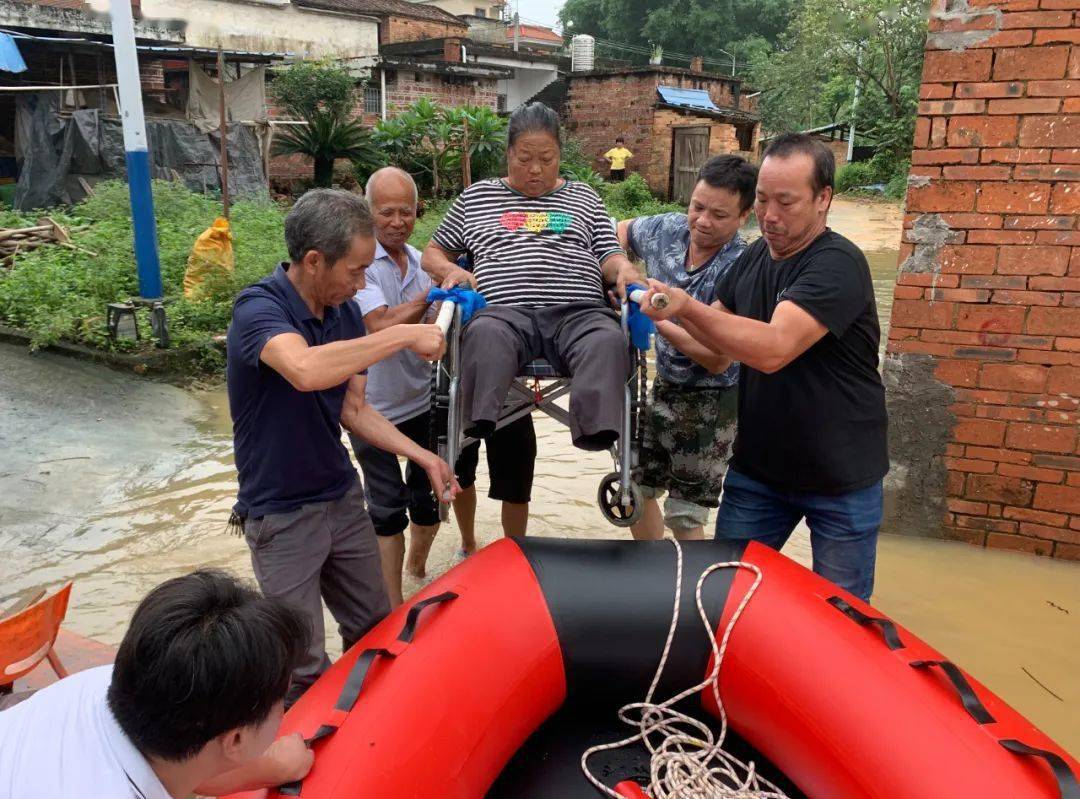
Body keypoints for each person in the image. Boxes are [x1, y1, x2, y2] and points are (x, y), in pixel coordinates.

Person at [225, 188, 458, 704]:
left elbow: (353, 411)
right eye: (355, 270)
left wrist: (422, 457)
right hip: (279, 513)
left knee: (376, 630)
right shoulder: (258, 309)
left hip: (340, 497)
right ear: (313, 261)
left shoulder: (344, 313)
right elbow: (306, 370)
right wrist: (401, 335)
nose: (360, 282)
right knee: (301, 662)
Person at [640, 133, 888, 602]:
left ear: (824, 199)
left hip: (841, 477)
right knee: (724, 596)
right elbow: (714, 352)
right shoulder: (754, 257)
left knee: (844, 613)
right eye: (762, 200)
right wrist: (658, 311)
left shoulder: (838, 264)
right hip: (760, 472)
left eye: (786, 202)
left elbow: (773, 348)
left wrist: (684, 306)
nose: (770, 215)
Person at [421, 103, 641, 487]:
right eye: (525, 159)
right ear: (508, 154)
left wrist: (624, 270)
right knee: (485, 335)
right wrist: (452, 269)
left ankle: (597, 429)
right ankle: (481, 420)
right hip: (504, 312)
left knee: (607, 338)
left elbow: (609, 253)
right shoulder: (476, 198)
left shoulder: (585, 198)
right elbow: (432, 253)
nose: (536, 169)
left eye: (547, 158)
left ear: (560, 155)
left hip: (579, 312)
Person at [0, 570, 314, 799]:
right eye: (282, 699)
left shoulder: (111, 683)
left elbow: (191, 771)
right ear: (234, 740)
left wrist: (275, 767)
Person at [616, 155, 756, 541]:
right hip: (663, 386)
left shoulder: (741, 266)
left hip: (714, 401)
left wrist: (659, 321)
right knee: (635, 493)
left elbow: (717, 358)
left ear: (744, 215)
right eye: (697, 207)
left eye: (719, 215)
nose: (703, 221)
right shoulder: (667, 229)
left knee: (685, 515)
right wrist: (624, 268)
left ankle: (690, 595)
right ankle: (652, 579)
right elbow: (621, 230)